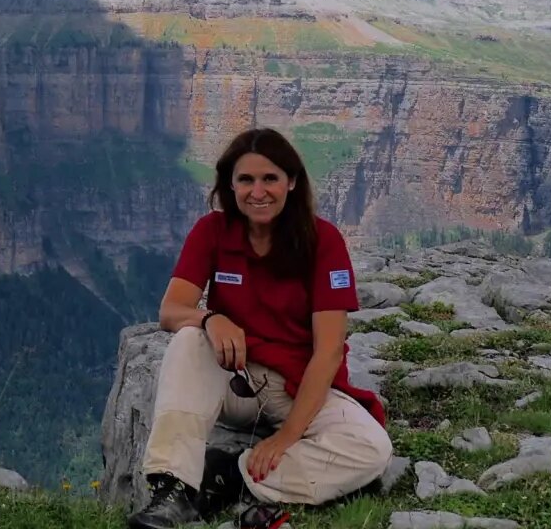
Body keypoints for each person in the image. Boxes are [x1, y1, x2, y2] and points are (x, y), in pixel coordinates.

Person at [128, 128, 393, 529]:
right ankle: (174, 488)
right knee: (188, 340)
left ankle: (231, 476)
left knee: (372, 449)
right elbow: (171, 310)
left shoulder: (324, 241)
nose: (258, 191)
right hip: (236, 379)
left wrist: (287, 437)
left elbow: (329, 352)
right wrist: (209, 318)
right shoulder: (212, 231)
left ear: (291, 181)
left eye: (270, 178)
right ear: (229, 185)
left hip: (300, 389)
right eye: (245, 180)